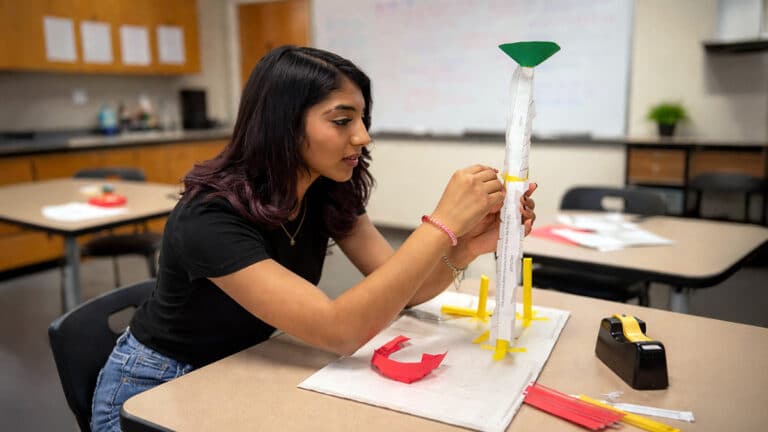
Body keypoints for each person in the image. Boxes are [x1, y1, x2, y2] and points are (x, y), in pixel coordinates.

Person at [90, 45, 537, 432]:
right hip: (155, 390)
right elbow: (338, 331)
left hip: (242, 364)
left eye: (362, 118)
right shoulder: (207, 217)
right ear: (283, 125)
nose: (362, 136)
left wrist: (468, 244)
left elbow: (407, 288)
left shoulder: (326, 192)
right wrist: (441, 223)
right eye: (342, 120)